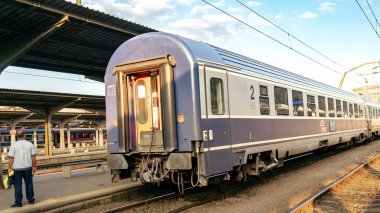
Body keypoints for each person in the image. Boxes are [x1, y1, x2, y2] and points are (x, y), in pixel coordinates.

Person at [7, 128, 37, 207]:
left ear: (17, 136)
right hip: (28, 168)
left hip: (17, 169)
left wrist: (9, 167)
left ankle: (18, 203)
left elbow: (11, 158)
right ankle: (31, 200)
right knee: (29, 184)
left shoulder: (14, 145)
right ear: (24, 135)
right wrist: (34, 166)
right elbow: (33, 158)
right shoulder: (30, 144)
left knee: (17, 186)